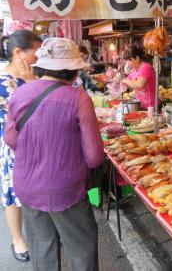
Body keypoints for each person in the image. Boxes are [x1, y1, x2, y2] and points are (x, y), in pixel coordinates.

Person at [5, 38, 104, 270]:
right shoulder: (78, 98)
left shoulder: (19, 94)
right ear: (72, 70)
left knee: (43, 247)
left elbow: (11, 139)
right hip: (65, 189)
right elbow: (94, 157)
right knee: (81, 248)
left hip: (27, 186)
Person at [0, 30, 41, 263]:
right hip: (14, 148)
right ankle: (18, 239)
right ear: (19, 53)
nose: (40, 57)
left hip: (36, 144)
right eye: (37, 51)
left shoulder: (29, 76)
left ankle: (40, 234)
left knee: (33, 192)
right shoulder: (4, 84)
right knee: (13, 196)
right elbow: (29, 111)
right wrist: (32, 84)